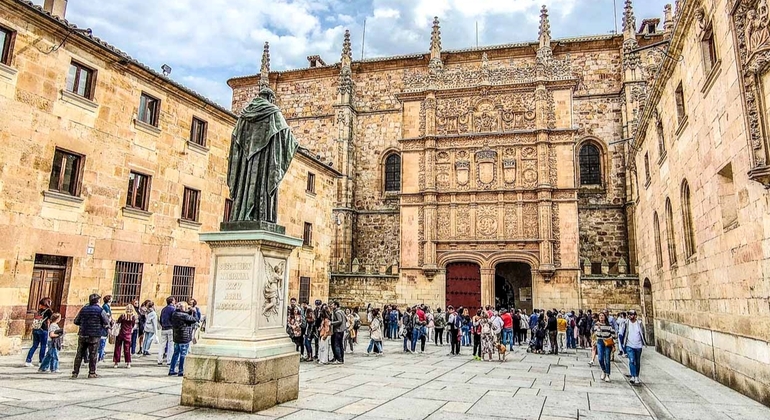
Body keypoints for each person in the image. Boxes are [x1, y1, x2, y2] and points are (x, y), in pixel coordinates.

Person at [72, 293, 111, 379]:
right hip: (95, 335)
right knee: (93, 354)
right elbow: (106, 322)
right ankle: (92, 372)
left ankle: (75, 372)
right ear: (97, 301)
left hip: (83, 334)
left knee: (79, 354)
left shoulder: (83, 309)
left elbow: (76, 321)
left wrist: (84, 323)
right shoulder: (100, 310)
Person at [168, 302, 198, 376]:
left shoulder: (175, 314)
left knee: (175, 354)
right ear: (183, 308)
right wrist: (194, 312)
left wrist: (189, 311)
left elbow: (186, 315)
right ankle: (181, 370)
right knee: (183, 354)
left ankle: (171, 369)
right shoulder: (184, 316)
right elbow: (195, 319)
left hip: (177, 337)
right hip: (184, 338)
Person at [25, 297, 53, 367]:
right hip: (43, 330)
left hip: (36, 329)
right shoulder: (48, 311)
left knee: (34, 345)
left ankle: (28, 360)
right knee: (43, 346)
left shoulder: (38, 311)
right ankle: (41, 361)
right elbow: (52, 319)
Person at [623, 310, 647, 384]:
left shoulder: (639, 323)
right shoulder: (626, 323)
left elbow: (642, 333)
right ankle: (633, 376)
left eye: (632, 314)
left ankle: (637, 376)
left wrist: (644, 342)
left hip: (638, 345)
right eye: (629, 314)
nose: (630, 316)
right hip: (629, 345)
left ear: (635, 315)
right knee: (632, 360)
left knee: (637, 361)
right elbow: (624, 333)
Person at [593, 312, 617, 382]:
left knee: (607, 359)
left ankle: (607, 374)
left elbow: (614, 335)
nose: (601, 317)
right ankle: (603, 370)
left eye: (602, 316)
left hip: (607, 342)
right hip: (600, 342)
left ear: (605, 317)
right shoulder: (596, 325)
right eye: (600, 316)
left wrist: (614, 344)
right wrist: (598, 328)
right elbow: (595, 334)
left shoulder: (609, 326)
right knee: (600, 358)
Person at [158, 297, 176, 365]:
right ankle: (169, 360)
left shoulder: (163, 309)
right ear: (172, 301)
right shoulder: (173, 309)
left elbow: (160, 318)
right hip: (170, 328)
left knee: (162, 345)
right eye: (174, 300)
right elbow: (173, 319)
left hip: (163, 328)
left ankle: (160, 360)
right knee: (170, 345)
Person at [98, 295, 112, 362]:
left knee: (102, 342)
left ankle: (101, 355)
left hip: (105, 326)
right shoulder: (105, 306)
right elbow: (107, 316)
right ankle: (100, 356)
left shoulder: (107, 306)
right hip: (104, 327)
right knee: (102, 342)